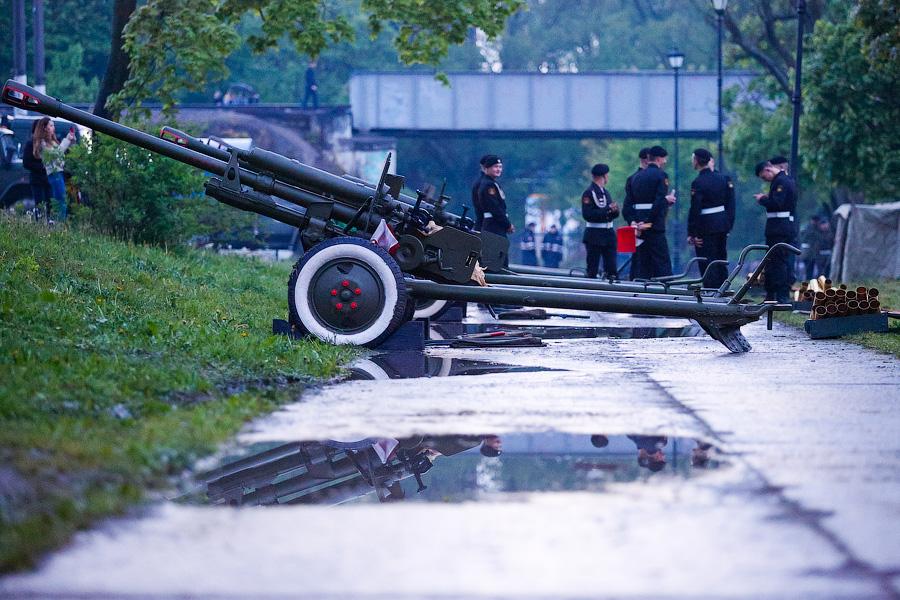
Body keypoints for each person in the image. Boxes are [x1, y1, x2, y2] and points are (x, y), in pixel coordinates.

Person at [687, 148, 735, 288]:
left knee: (707, 260)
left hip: (705, 227)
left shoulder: (698, 182)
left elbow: (695, 209)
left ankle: (710, 290)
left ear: (697, 161)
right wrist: (728, 225)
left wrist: (692, 233)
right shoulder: (724, 179)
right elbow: (731, 205)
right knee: (721, 258)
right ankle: (724, 289)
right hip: (722, 224)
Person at [627, 145, 676, 279]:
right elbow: (659, 201)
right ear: (659, 159)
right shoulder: (661, 176)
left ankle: (639, 287)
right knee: (662, 262)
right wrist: (648, 222)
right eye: (664, 159)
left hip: (638, 227)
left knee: (642, 262)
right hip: (654, 226)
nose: (665, 162)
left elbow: (628, 205)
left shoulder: (634, 178)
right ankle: (666, 288)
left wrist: (634, 222)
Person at [754, 160, 798, 302]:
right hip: (779, 227)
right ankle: (773, 294)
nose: (764, 179)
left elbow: (777, 204)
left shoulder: (781, 182)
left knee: (778, 262)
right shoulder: (782, 181)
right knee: (774, 261)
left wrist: (763, 199)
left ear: (767, 169)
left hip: (779, 228)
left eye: (763, 176)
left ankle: (781, 295)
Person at [34, 117, 77, 222]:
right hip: (54, 174)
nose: (54, 127)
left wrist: (71, 141)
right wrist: (67, 140)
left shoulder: (52, 142)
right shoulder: (43, 143)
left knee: (61, 200)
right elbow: (56, 154)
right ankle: (59, 224)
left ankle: (60, 223)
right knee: (60, 201)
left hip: (59, 173)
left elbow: (61, 153)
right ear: (45, 128)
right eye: (51, 125)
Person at [581, 163, 620, 279]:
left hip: (608, 234)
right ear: (603, 176)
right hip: (594, 234)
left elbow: (610, 214)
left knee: (612, 269)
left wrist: (614, 211)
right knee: (592, 269)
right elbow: (588, 215)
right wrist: (607, 209)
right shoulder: (589, 193)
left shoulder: (605, 193)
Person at [475, 154, 514, 237]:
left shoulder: (492, 183)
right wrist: (507, 224)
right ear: (487, 168)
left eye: (500, 167)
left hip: (496, 225)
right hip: (493, 225)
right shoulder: (488, 185)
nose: (498, 169)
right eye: (495, 167)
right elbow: (495, 208)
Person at [22, 119, 51, 221]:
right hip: (37, 179)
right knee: (40, 204)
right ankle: (40, 223)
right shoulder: (31, 144)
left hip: (48, 179)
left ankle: (49, 223)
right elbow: (26, 163)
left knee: (50, 204)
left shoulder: (47, 143)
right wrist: (42, 167)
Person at [799, 215, 822, 280]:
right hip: (808, 252)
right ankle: (808, 279)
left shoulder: (813, 228)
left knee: (811, 268)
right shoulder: (809, 228)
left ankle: (809, 279)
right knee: (808, 268)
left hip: (812, 252)